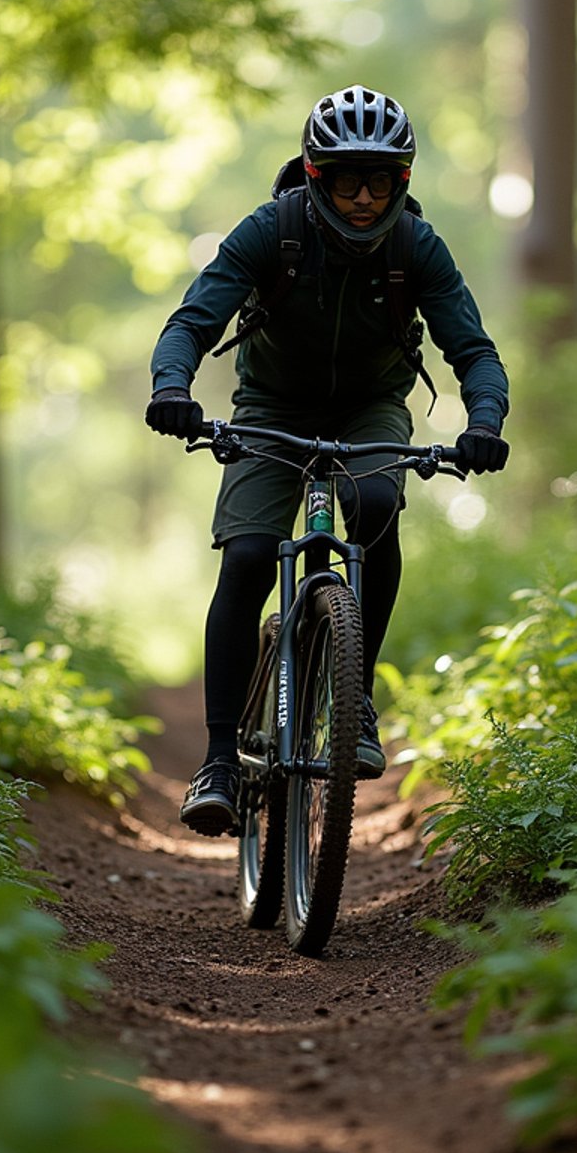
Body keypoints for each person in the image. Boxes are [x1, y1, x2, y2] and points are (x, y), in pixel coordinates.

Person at [145, 84, 510, 837]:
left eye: (381, 180)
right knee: (247, 555)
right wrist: (171, 387)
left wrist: (485, 421)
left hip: (371, 410)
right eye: (349, 179)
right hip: (271, 413)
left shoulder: (418, 247)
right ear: (317, 176)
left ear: (402, 180)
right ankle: (217, 759)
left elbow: (472, 350)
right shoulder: (269, 232)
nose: (366, 198)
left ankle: (355, 697)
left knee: (376, 508)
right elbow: (191, 320)